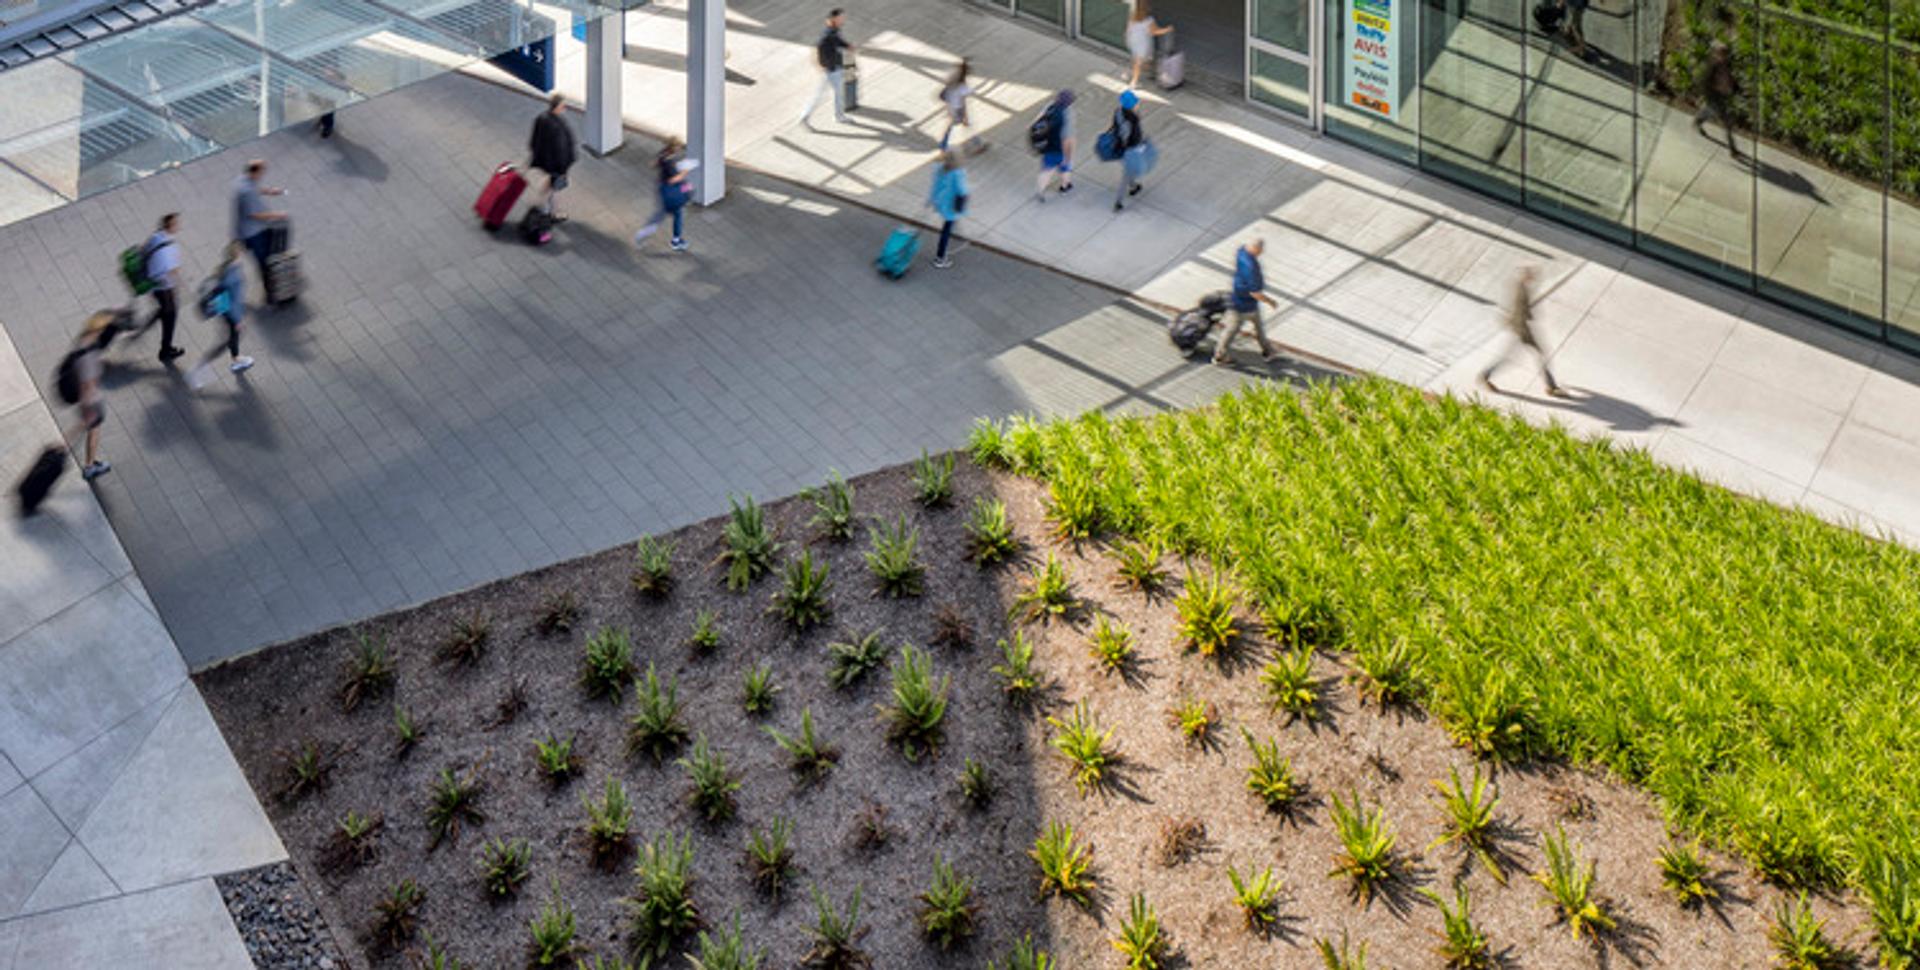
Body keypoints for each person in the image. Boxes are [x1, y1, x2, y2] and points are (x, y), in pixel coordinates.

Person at [1480, 266, 1567, 398]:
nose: (1534, 278)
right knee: (1539, 355)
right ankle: (1551, 387)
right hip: (1522, 329)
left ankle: (1486, 375)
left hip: (1520, 328)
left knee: (1513, 356)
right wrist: (1523, 329)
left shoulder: (1521, 287)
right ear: (1526, 276)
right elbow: (1518, 310)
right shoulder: (1521, 289)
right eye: (1532, 275)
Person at [186, 242, 253, 390]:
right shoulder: (233, 275)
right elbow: (231, 300)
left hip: (225, 309)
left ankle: (236, 359)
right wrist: (237, 319)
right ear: (238, 255)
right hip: (230, 312)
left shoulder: (227, 268)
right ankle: (196, 371)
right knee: (224, 343)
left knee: (234, 336)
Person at [68, 310, 122, 481]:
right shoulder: (89, 355)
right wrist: (90, 408)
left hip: (83, 395)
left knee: (89, 429)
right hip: (91, 401)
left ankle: (87, 460)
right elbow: (89, 385)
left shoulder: (82, 343)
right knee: (94, 430)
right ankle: (90, 466)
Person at [1213, 238, 1279, 364]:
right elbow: (1255, 293)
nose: (1262, 252)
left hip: (1241, 301)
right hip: (1242, 305)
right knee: (1232, 330)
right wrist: (1271, 302)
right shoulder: (1251, 268)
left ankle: (1268, 351)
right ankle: (1219, 356)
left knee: (1257, 328)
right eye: (1260, 249)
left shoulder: (1241, 252)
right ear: (1255, 249)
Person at [132, 213, 185, 362]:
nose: (179, 226)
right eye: (176, 224)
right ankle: (165, 350)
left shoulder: (156, 236)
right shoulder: (169, 248)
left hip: (151, 281)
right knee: (171, 315)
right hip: (163, 287)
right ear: (171, 226)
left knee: (165, 309)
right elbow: (172, 271)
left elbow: (143, 250)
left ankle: (158, 318)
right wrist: (180, 285)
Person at [233, 160, 288, 283]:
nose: (262, 175)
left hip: (254, 229)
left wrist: (270, 191)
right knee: (264, 259)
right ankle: (270, 286)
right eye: (261, 172)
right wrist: (278, 215)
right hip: (252, 234)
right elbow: (255, 215)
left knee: (269, 251)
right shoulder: (246, 192)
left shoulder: (244, 179)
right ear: (255, 172)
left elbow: (255, 188)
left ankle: (271, 276)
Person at [634, 136, 693, 253]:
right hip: (670, 191)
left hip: (662, 188)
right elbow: (673, 180)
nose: (679, 149)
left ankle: (674, 239)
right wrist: (685, 171)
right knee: (668, 215)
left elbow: (652, 164)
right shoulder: (670, 161)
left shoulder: (663, 154)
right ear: (674, 147)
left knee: (670, 213)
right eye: (678, 147)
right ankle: (674, 241)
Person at [800, 8, 855, 126]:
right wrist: (828, 66)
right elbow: (821, 47)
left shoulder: (834, 31)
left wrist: (847, 45)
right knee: (832, 95)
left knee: (823, 94)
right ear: (834, 19)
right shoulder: (828, 34)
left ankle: (805, 116)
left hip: (833, 69)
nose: (843, 19)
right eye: (841, 17)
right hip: (833, 70)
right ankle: (838, 116)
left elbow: (838, 41)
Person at [529, 93, 577, 222]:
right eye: (563, 105)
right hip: (557, 165)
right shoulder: (558, 126)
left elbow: (534, 140)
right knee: (556, 188)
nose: (564, 107)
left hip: (545, 161)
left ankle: (541, 204)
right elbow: (561, 149)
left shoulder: (542, 118)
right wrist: (564, 169)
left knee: (551, 183)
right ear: (557, 107)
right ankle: (553, 213)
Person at [1693, 39, 1743, 160]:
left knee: (1709, 111)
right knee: (1727, 123)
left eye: (1726, 54)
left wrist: (1736, 89)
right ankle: (1733, 150)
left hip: (1722, 96)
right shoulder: (1712, 67)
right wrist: (1709, 94)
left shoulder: (1727, 65)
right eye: (1722, 54)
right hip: (1714, 97)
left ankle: (1698, 121)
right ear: (1716, 54)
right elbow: (1704, 83)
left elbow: (1730, 79)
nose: (1725, 56)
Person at [928, 149, 969, 269]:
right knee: (947, 228)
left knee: (950, 223)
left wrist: (931, 200)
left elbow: (935, 184)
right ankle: (940, 258)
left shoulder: (939, 168)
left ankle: (958, 236)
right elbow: (962, 191)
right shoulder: (958, 173)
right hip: (951, 206)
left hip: (941, 202)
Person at [1108, 90, 1147, 212]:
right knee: (1127, 175)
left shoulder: (1117, 112)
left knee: (1129, 171)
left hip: (1119, 147)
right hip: (1130, 150)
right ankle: (1118, 202)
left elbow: (1114, 127)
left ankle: (1134, 186)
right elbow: (1136, 137)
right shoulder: (1134, 118)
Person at [1036, 89, 1076, 201]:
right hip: (1060, 150)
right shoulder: (1066, 117)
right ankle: (1065, 186)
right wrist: (1068, 156)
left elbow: (1037, 121)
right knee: (1065, 169)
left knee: (1046, 170)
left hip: (1048, 146)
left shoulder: (1050, 107)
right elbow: (1067, 140)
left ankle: (1041, 190)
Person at [938, 59, 984, 155]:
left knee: (951, 126)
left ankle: (943, 144)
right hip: (958, 109)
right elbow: (963, 103)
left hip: (951, 107)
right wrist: (965, 116)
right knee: (966, 125)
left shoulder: (952, 82)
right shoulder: (963, 87)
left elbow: (947, 93)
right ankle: (977, 144)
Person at [1126, 2, 1175, 89]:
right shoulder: (1149, 20)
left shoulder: (1132, 16)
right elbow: (1154, 32)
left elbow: (1128, 28)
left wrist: (1128, 37)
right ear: (1147, 9)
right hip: (1143, 44)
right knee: (1139, 63)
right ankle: (1134, 82)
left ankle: (1147, 72)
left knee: (1140, 61)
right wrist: (1167, 29)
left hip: (1133, 40)